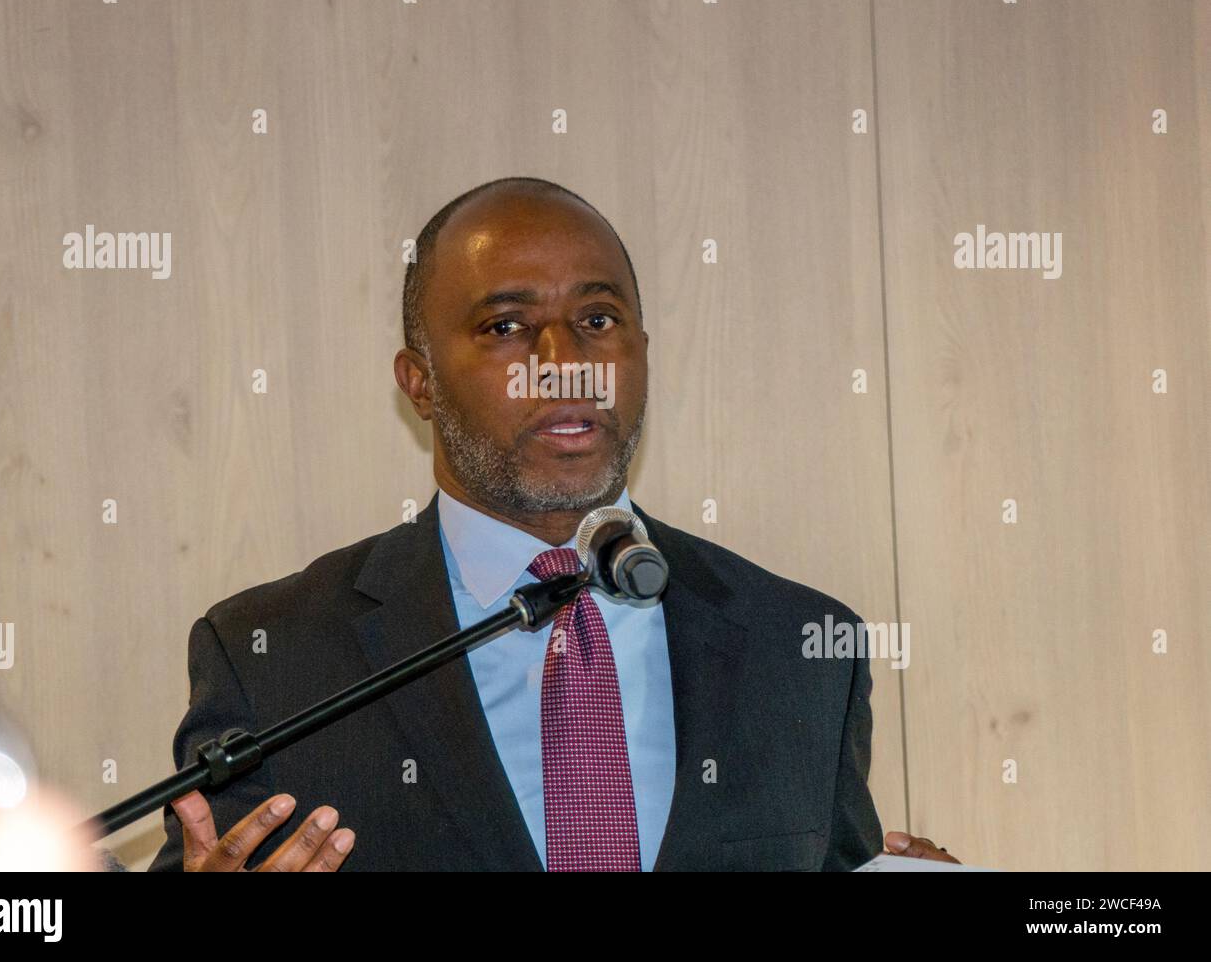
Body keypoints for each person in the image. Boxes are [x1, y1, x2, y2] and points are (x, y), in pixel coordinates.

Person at [148, 176, 957, 871]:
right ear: (419, 383)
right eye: (505, 328)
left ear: (642, 351)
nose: (563, 361)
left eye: (598, 322)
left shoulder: (803, 648)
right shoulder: (276, 656)